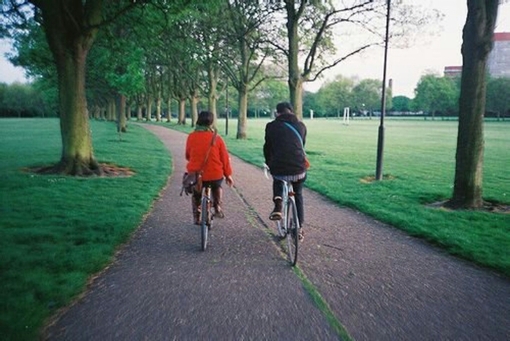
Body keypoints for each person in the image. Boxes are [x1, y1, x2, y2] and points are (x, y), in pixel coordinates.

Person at [263, 102, 307, 240]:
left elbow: (267, 148)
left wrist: (269, 163)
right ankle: (298, 228)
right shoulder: (301, 126)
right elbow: (301, 145)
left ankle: (278, 205)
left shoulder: (271, 126)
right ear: (291, 112)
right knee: (298, 194)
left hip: (279, 168)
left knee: (278, 180)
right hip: (299, 168)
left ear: (278, 113)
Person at [185, 110, 234, 225]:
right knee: (217, 186)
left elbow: (187, 155)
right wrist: (228, 175)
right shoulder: (217, 138)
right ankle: (217, 207)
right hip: (214, 174)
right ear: (211, 123)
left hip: (196, 175)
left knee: (196, 194)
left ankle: (197, 216)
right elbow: (224, 159)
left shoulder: (191, 137)